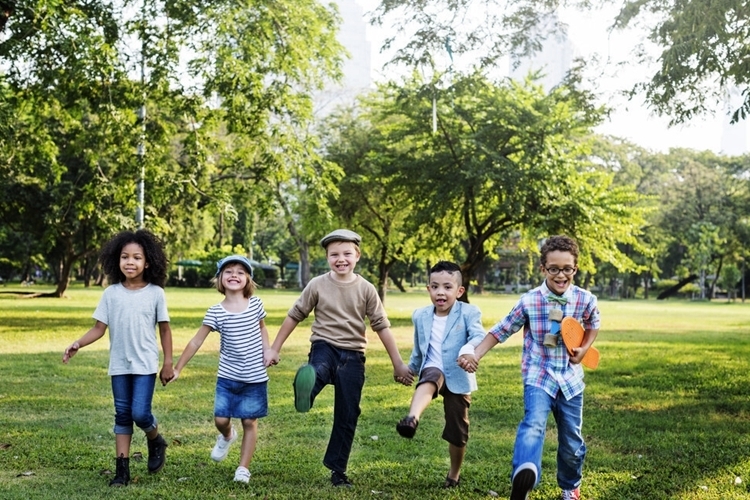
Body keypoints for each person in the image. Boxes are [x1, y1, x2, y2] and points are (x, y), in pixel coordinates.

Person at [264, 229, 414, 488]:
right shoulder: (317, 284)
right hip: (324, 345)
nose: (340, 259)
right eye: (334, 254)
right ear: (327, 257)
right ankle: (306, 391)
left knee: (348, 413)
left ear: (357, 255)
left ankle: (338, 470)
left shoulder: (366, 289)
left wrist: (398, 363)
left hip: (354, 354)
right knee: (318, 369)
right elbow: (295, 315)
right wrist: (274, 348)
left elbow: (381, 326)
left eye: (346, 253)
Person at [459, 235, 600, 500]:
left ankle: (570, 487)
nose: (561, 275)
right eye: (554, 269)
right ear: (543, 269)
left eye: (567, 268)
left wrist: (583, 348)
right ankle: (523, 474)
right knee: (533, 424)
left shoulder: (585, 299)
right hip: (539, 375)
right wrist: (475, 354)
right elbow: (501, 330)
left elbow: (593, 323)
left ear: (575, 269)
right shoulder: (529, 301)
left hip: (570, 380)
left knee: (572, 442)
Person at [62, 229, 173, 487]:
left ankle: (155, 439)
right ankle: (121, 471)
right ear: (117, 260)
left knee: (140, 413)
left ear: (148, 262)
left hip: (145, 363)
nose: (130, 262)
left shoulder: (156, 293)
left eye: (137, 257)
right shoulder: (111, 293)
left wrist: (168, 363)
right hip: (119, 364)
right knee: (122, 415)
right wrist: (78, 343)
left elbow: (165, 330)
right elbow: (99, 329)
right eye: (125, 257)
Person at [168, 255, 270, 484]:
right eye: (229, 271)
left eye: (240, 272)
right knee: (221, 419)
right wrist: (178, 368)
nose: (234, 275)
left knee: (249, 422)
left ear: (248, 280)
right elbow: (196, 341)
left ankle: (243, 468)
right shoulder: (216, 311)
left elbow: (262, 330)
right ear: (220, 279)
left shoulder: (256, 304)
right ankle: (227, 435)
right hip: (228, 377)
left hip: (254, 377)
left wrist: (268, 351)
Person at [395, 261, 486, 489]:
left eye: (447, 287)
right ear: (429, 289)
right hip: (433, 367)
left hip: (458, 373)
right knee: (431, 377)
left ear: (459, 291)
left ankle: (454, 474)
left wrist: (468, 352)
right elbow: (419, 349)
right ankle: (412, 418)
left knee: (458, 430)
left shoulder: (469, 312)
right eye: (435, 287)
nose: (440, 292)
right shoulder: (421, 316)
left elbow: (478, 336)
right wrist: (410, 370)